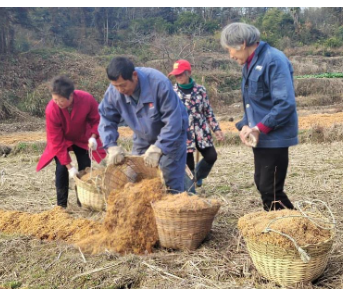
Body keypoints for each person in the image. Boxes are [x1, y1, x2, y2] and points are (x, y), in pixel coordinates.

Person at [220, 22, 298, 211]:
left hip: (274, 136)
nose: (230, 55)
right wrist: (245, 125)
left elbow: (285, 103)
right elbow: (253, 103)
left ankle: (296, 229)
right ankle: (280, 227)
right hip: (261, 136)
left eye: (230, 49)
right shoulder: (249, 64)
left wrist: (258, 128)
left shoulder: (273, 60)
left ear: (243, 43)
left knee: (270, 189)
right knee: (263, 184)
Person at [97, 57, 188, 193]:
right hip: (142, 136)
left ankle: (180, 204)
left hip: (171, 136)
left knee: (170, 179)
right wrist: (111, 146)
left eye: (123, 85)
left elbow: (173, 121)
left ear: (134, 76)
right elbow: (106, 118)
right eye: (116, 86)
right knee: (135, 174)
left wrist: (159, 148)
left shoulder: (158, 84)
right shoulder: (114, 91)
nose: (120, 90)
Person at [36, 76, 106, 208]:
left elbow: (97, 119)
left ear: (71, 96)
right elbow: (56, 141)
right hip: (62, 138)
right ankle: (61, 205)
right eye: (54, 99)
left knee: (85, 167)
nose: (57, 102)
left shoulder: (86, 99)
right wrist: (70, 167)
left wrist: (93, 136)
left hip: (82, 136)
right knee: (62, 168)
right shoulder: (51, 109)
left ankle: (83, 202)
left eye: (60, 100)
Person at [169, 59, 224, 191]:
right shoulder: (172, 92)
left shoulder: (201, 90)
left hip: (201, 131)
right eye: (176, 75)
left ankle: (198, 176)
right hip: (183, 133)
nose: (178, 77)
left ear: (188, 73)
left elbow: (208, 111)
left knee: (211, 156)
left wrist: (216, 129)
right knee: (188, 166)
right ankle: (191, 195)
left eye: (181, 74)